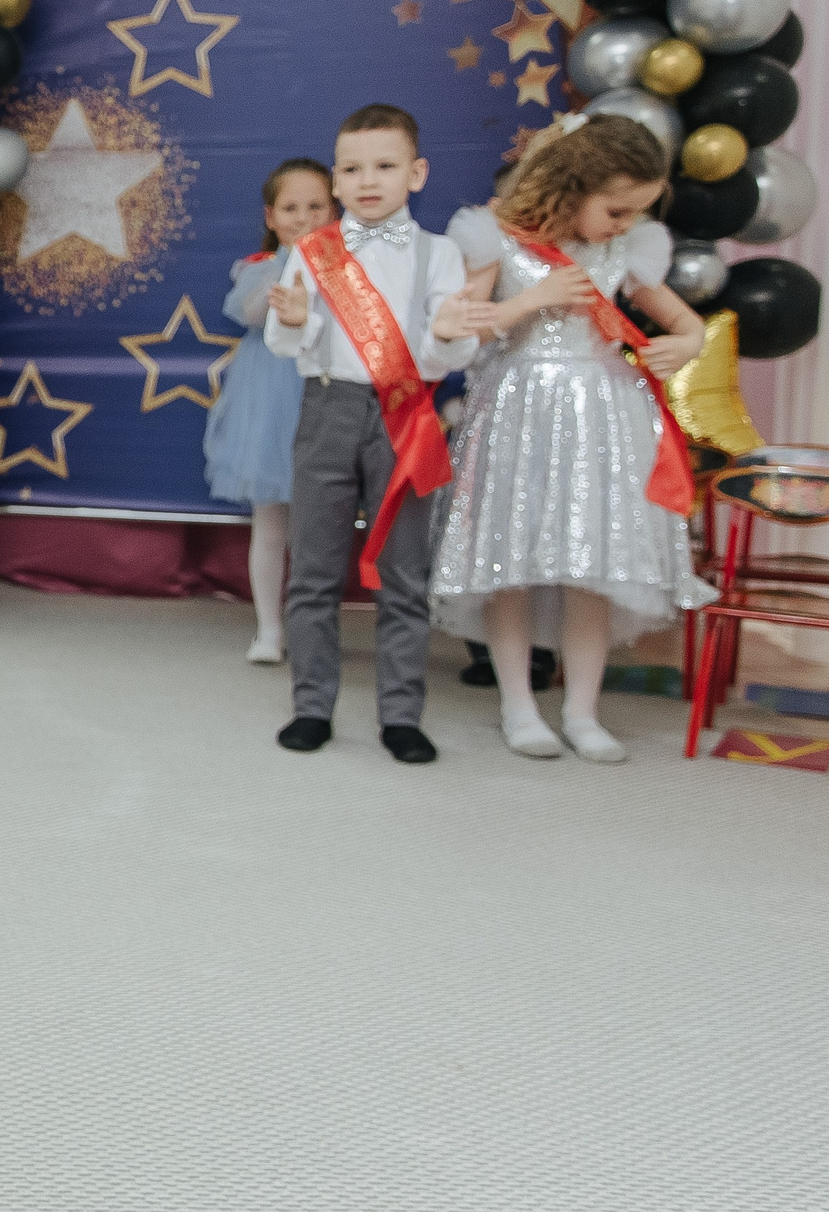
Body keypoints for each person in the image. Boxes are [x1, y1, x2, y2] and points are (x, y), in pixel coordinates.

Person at [435, 112, 710, 762]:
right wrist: (528, 301)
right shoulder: (496, 238)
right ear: (574, 184)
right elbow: (464, 331)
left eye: (635, 214)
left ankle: (582, 710)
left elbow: (683, 319)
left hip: (603, 419)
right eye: (616, 210)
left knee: (592, 563)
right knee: (512, 559)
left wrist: (687, 343)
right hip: (517, 411)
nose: (623, 225)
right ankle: (518, 705)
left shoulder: (625, 251)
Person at [264, 104, 479, 763]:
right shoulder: (313, 252)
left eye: (384, 166)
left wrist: (443, 336)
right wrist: (298, 319)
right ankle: (311, 704)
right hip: (328, 410)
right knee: (315, 569)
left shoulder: (440, 252)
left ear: (415, 173)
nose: (367, 180)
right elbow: (284, 342)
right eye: (352, 168)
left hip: (405, 413)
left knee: (404, 570)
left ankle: (401, 713)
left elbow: (456, 346)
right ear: (335, 178)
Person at [204, 158, 334, 664]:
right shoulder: (258, 268)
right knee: (270, 520)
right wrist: (287, 267)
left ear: (334, 209)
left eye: (315, 206)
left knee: (317, 526)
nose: (303, 217)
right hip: (268, 400)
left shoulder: (350, 270)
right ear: (272, 216)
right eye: (291, 208)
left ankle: (310, 628)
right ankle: (268, 628)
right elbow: (251, 312)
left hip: (323, 395)